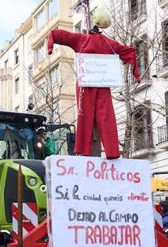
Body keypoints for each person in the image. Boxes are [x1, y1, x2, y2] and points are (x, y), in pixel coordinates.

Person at [47, 8, 138, 159]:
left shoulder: (82, 40)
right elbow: (129, 52)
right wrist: (136, 74)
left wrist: (50, 46)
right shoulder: (109, 43)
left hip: (86, 83)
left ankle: (84, 149)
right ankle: (112, 151)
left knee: (84, 115)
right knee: (106, 115)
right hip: (103, 83)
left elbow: (58, 35)